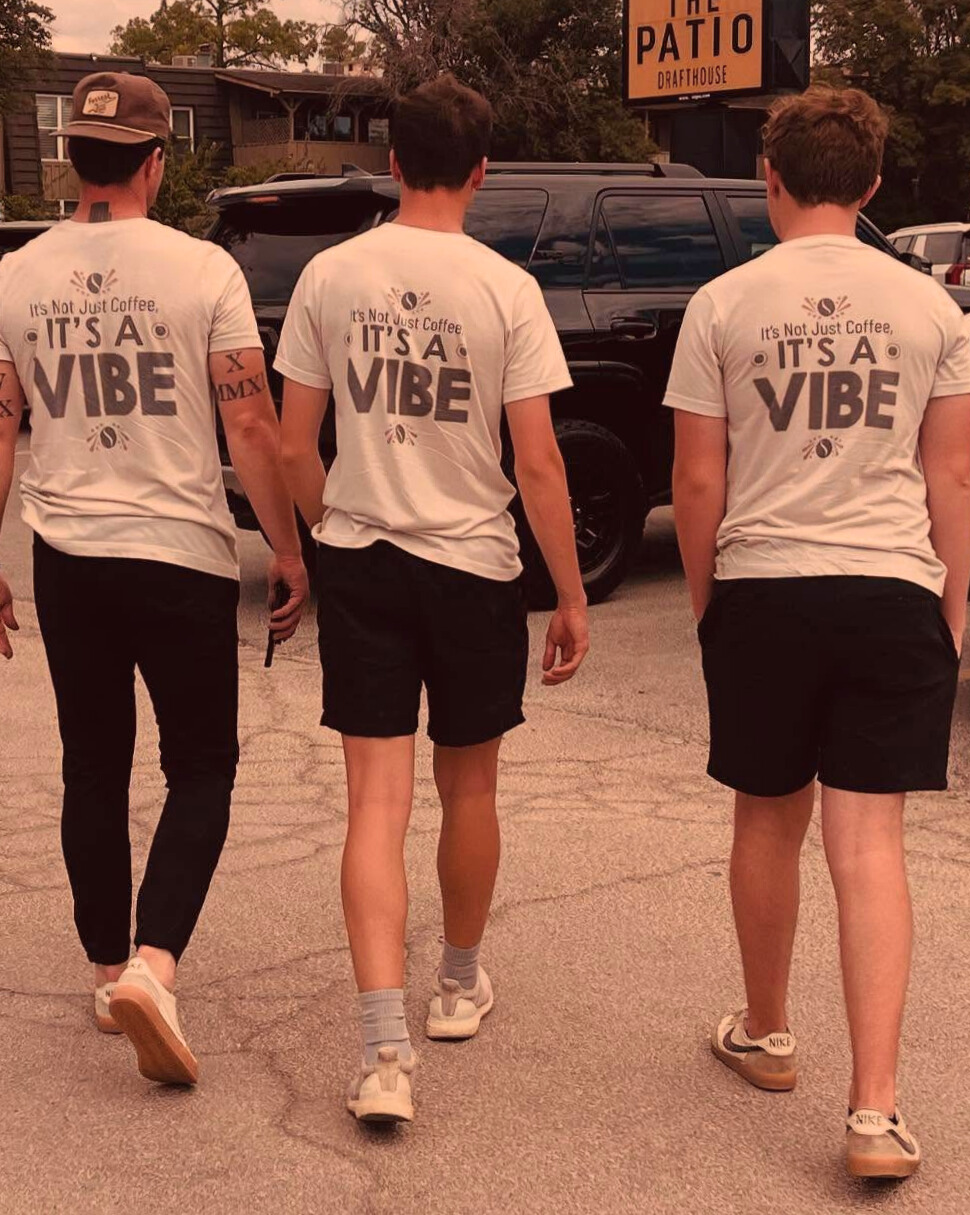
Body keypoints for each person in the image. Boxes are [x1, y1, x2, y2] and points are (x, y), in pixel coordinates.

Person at [0, 71, 308, 1086]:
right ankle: (155, 964)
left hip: (69, 557)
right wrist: (289, 550)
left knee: (94, 763)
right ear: (156, 162)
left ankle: (108, 967)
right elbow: (251, 424)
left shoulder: (14, 279)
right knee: (200, 766)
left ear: (73, 159)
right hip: (181, 555)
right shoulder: (204, 272)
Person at [667, 85, 970, 1178]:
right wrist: (947, 611)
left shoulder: (722, 303)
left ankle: (767, 1033)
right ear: (875, 183)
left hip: (765, 587)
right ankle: (875, 1114)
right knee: (871, 844)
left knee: (767, 820)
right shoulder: (931, 309)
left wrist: (708, 604)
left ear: (770, 178)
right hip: (892, 588)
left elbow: (696, 481)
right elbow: (951, 478)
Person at [276, 75, 590, 1123]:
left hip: (364, 556)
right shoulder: (507, 288)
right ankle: (457, 984)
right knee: (471, 789)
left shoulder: (330, 275)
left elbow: (293, 444)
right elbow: (537, 462)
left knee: (376, 803)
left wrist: (326, 535)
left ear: (394, 163)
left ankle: (382, 1051)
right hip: (473, 565)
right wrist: (572, 593)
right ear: (482, 170)